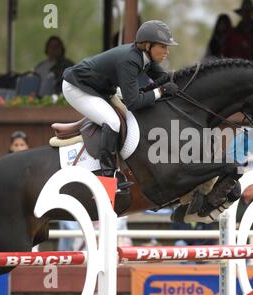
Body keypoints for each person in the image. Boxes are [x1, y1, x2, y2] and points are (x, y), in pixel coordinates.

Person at [62, 20, 179, 192]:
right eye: (163, 46)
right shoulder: (130, 59)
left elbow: (164, 79)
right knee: (113, 122)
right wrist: (160, 92)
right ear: (147, 45)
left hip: (100, 88)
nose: (167, 51)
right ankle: (107, 177)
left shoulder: (145, 58)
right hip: (76, 87)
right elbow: (134, 103)